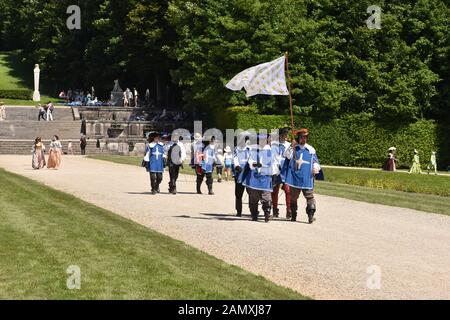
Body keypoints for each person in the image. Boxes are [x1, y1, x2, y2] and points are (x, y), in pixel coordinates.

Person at [284, 128, 321, 224]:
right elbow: (287, 156)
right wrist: (291, 147)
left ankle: (310, 216)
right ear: (298, 138)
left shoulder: (311, 150)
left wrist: (316, 167)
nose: (303, 139)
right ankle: (293, 215)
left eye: (305, 137)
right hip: (295, 177)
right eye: (301, 137)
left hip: (306, 177)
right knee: (293, 198)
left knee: (309, 197)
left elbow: (316, 161)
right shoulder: (294, 148)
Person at [241, 134, 278, 222]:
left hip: (266, 178)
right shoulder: (253, 149)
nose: (263, 142)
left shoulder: (270, 150)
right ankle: (254, 214)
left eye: (264, 140)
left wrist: (274, 175)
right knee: (254, 198)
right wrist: (254, 164)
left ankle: (267, 213)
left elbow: (274, 163)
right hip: (254, 178)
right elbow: (250, 160)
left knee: (267, 197)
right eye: (261, 140)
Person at [271, 127, 292, 219]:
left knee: (288, 190)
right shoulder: (274, 145)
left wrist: (292, 148)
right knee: (275, 191)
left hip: (286, 170)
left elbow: (290, 157)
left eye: (286, 134)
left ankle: (289, 210)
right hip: (276, 169)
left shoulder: (289, 145)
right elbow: (273, 157)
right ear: (280, 135)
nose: (286, 136)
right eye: (284, 134)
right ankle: (275, 209)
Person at [232, 134, 251, 217]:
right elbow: (234, 158)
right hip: (239, 173)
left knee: (251, 193)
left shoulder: (249, 149)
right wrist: (237, 166)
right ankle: (239, 211)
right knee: (239, 194)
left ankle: (253, 210)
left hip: (248, 174)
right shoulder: (236, 150)